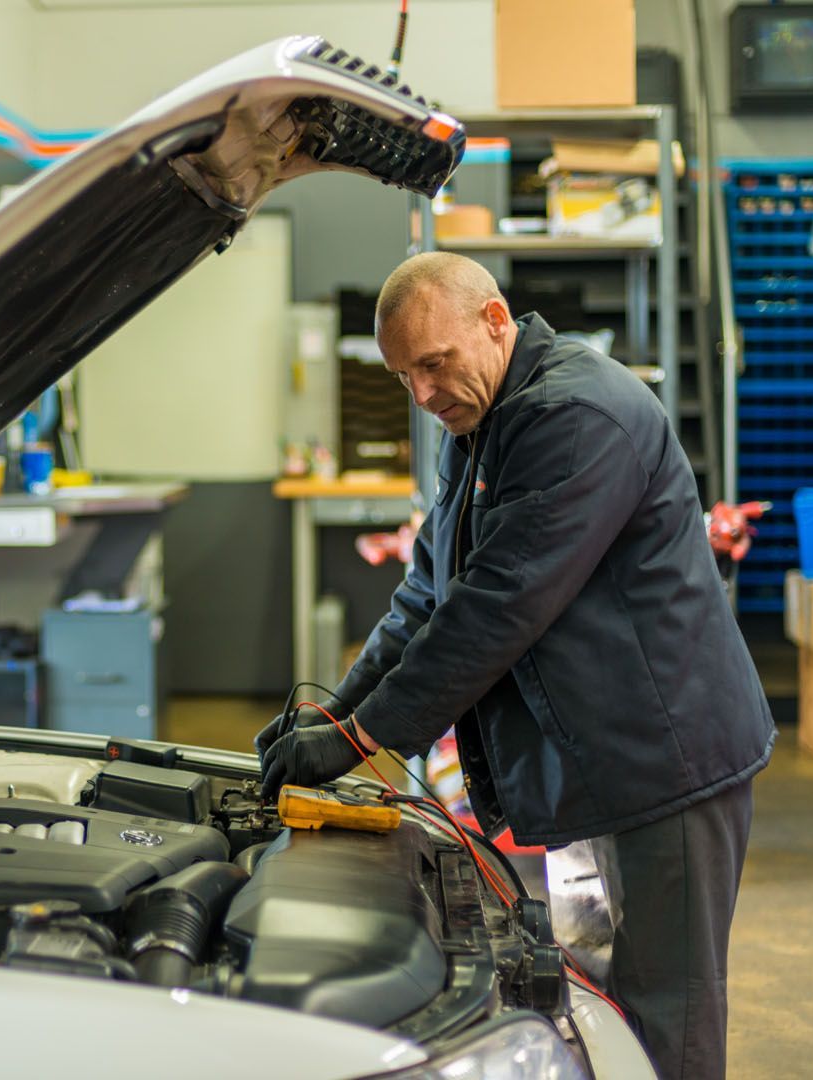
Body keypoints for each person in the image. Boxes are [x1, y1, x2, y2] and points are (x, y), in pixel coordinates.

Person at [257, 252, 774, 1080]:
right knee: (597, 997)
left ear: (495, 322)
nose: (422, 396)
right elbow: (428, 592)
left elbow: (495, 608)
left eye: (433, 364)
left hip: (664, 765)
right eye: (402, 377)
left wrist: (364, 739)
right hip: (588, 766)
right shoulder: (480, 424)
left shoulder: (577, 417)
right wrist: (335, 713)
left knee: (665, 1012)